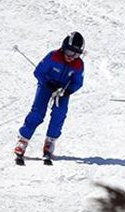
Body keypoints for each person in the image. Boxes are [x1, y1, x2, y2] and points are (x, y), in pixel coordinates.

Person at [15, 32, 85, 166]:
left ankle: (50, 141)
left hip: (62, 90)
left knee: (60, 114)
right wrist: (47, 83)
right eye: (70, 52)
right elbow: (38, 72)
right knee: (38, 112)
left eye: (76, 54)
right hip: (46, 85)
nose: (72, 57)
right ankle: (23, 139)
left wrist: (67, 91)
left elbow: (78, 82)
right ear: (64, 48)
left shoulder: (78, 65)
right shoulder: (53, 56)